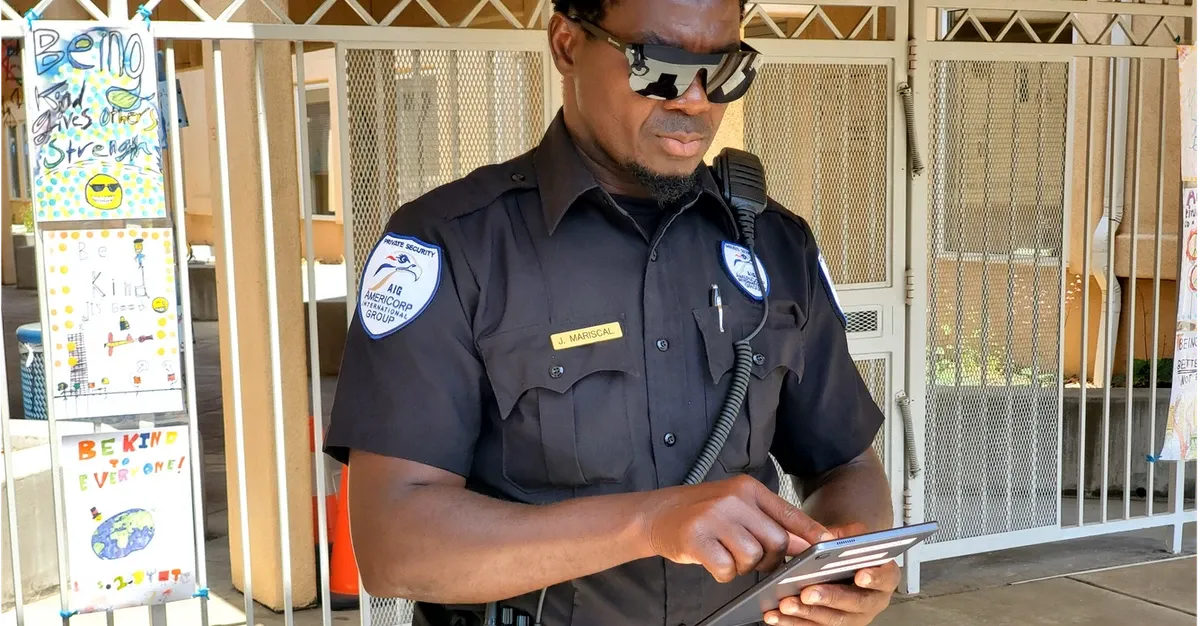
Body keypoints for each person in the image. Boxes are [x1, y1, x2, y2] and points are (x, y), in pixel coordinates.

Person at [324, 0, 896, 624]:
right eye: (660, 66)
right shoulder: (453, 244)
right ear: (567, 45)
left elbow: (843, 461)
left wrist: (851, 557)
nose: (696, 101)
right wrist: (648, 524)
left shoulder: (775, 244)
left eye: (724, 69)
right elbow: (395, 545)